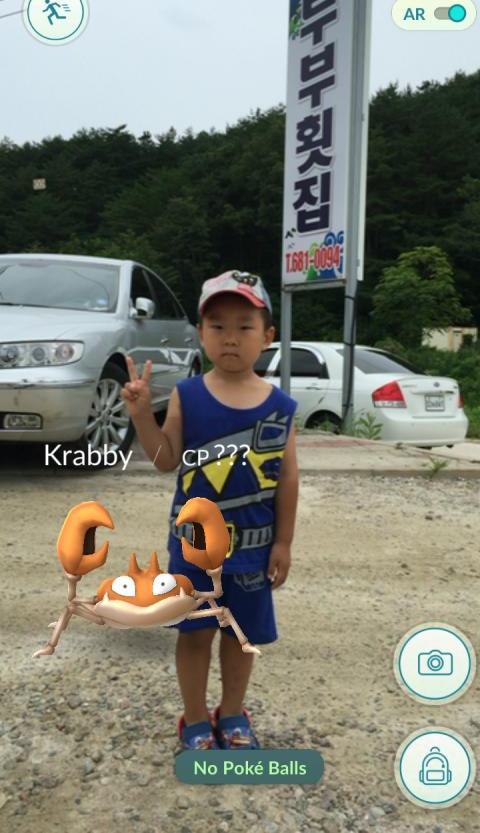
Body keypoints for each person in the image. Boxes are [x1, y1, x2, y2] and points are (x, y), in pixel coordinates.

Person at [121, 270, 299, 750]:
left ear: (267, 335)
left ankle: (234, 715)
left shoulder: (281, 406)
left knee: (242, 637)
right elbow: (166, 460)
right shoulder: (188, 394)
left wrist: (283, 541)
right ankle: (196, 720)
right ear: (201, 333)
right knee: (195, 634)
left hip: (254, 551)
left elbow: (287, 477)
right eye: (218, 325)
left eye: (244, 326)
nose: (231, 337)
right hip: (194, 551)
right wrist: (142, 415)